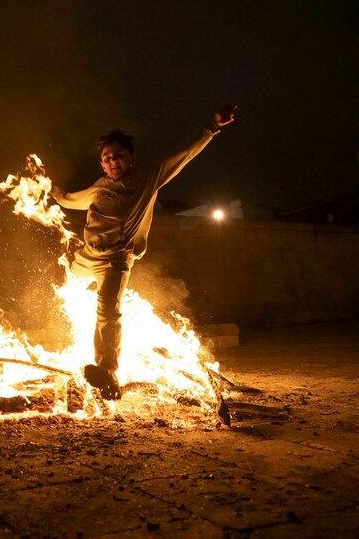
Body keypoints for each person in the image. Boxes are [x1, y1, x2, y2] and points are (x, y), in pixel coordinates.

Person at [51, 105, 237, 400]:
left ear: (131, 158)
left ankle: (108, 374)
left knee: (107, 312)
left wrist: (210, 128)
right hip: (84, 259)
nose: (113, 161)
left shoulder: (147, 179)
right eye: (107, 158)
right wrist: (47, 188)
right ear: (102, 164)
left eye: (119, 156)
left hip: (114, 261)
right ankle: (65, 357)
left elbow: (182, 156)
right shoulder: (98, 189)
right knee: (61, 294)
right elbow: (68, 200)